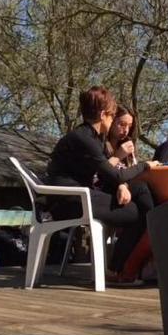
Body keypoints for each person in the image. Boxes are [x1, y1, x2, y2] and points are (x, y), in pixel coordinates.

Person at [46, 86, 160, 284]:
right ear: (102, 114)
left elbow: (111, 175)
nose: (113, 119)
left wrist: (121, 185)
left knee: (141, 191)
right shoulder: (85, 139)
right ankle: (119, 268)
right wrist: (145, 166)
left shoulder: (91, 137)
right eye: (112, 115)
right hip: (69, 200)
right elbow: (114, 173)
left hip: (80, 194)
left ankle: (152, 235)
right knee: (137, 213)